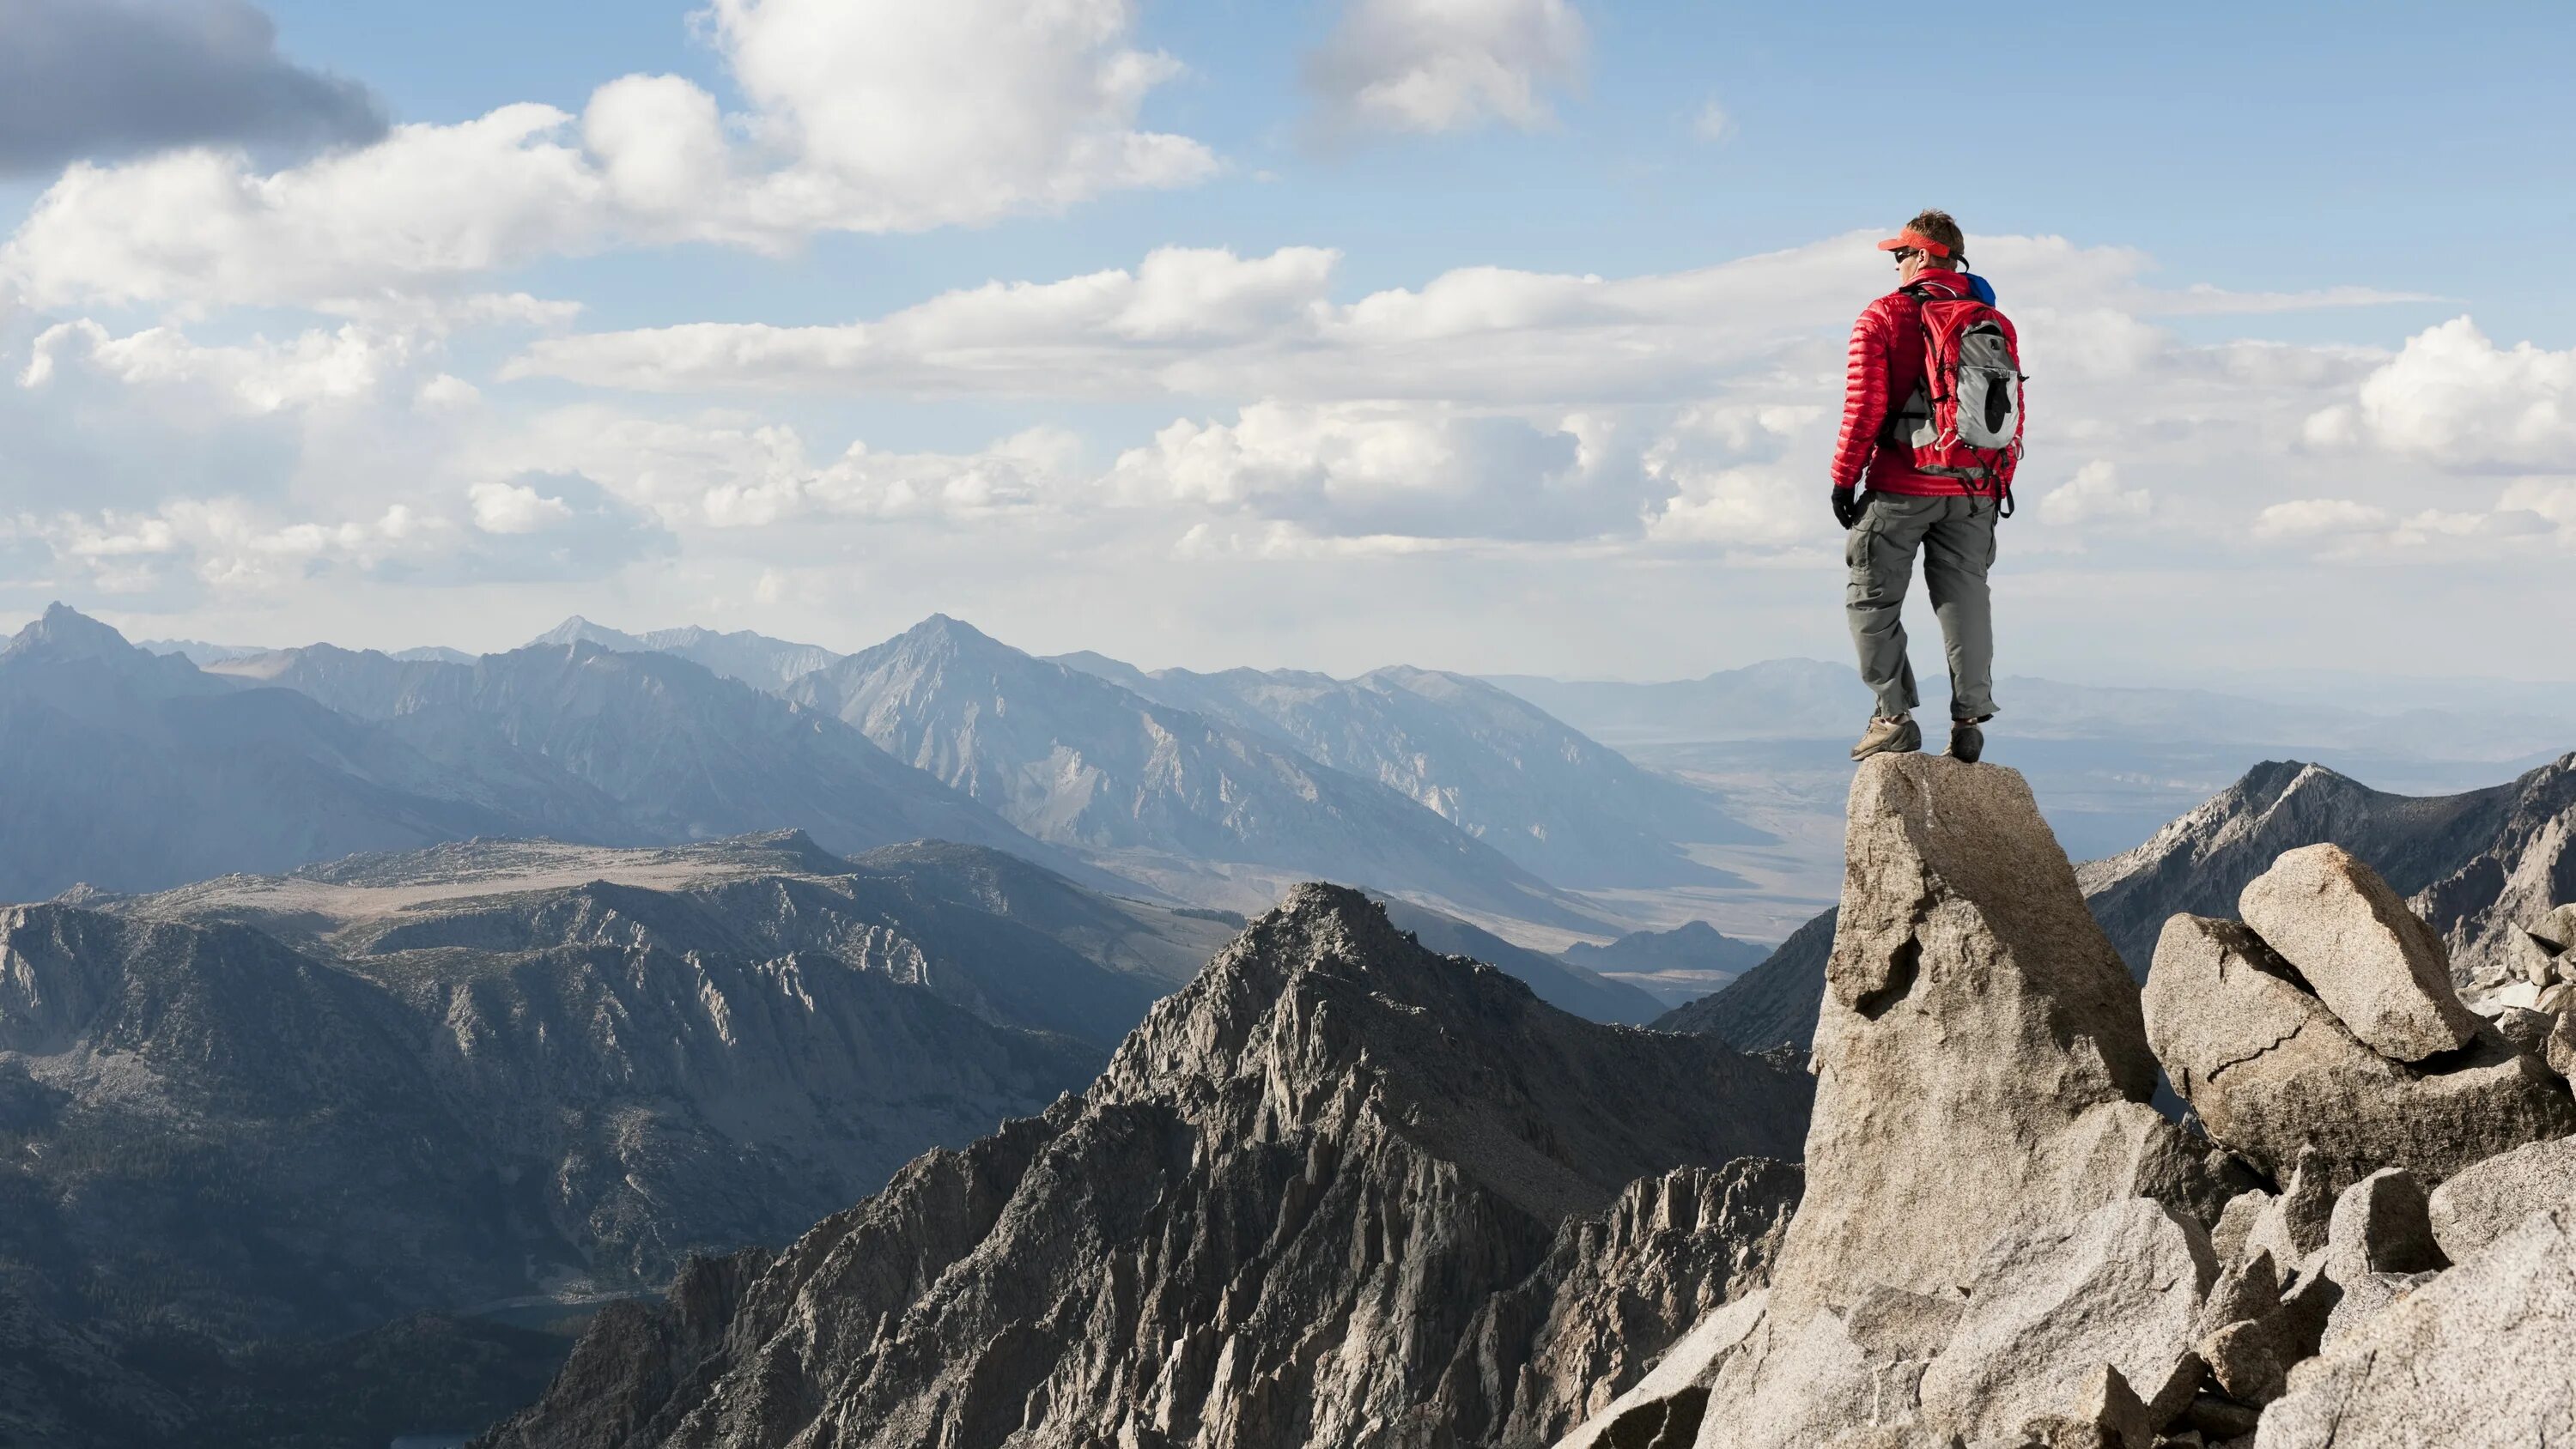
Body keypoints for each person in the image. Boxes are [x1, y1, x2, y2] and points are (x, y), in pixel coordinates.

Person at [1829, 209, 2024, 764]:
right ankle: (1969, 722)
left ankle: (1892, 716)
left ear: (1922, 256)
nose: (1895, 265)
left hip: (1901, 485)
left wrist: (1845, 479)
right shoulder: (1993, 321)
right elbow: (2010, 412)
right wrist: (1996, 484)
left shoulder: (1884, 316)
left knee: (1871, 596)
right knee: (1965, 600)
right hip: (1976, 488)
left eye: (1899, 255)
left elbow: (1864, 408)